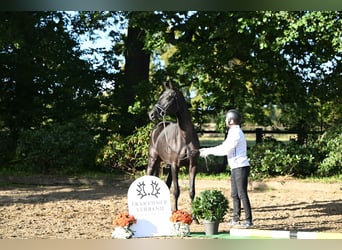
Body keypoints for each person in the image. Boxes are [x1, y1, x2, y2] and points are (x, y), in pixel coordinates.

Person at [199, 109, 253, 228]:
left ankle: (249, 220)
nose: (225, 121)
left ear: (231, 120)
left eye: (226, 118)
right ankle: (236, 218)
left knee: (242, 194)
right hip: (235, 167)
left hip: (240, 166)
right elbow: (223, 146)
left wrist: (208, 151)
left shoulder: (236, 133)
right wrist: (207, 150)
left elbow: (225, 150)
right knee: (234, 194)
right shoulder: (232, 132)